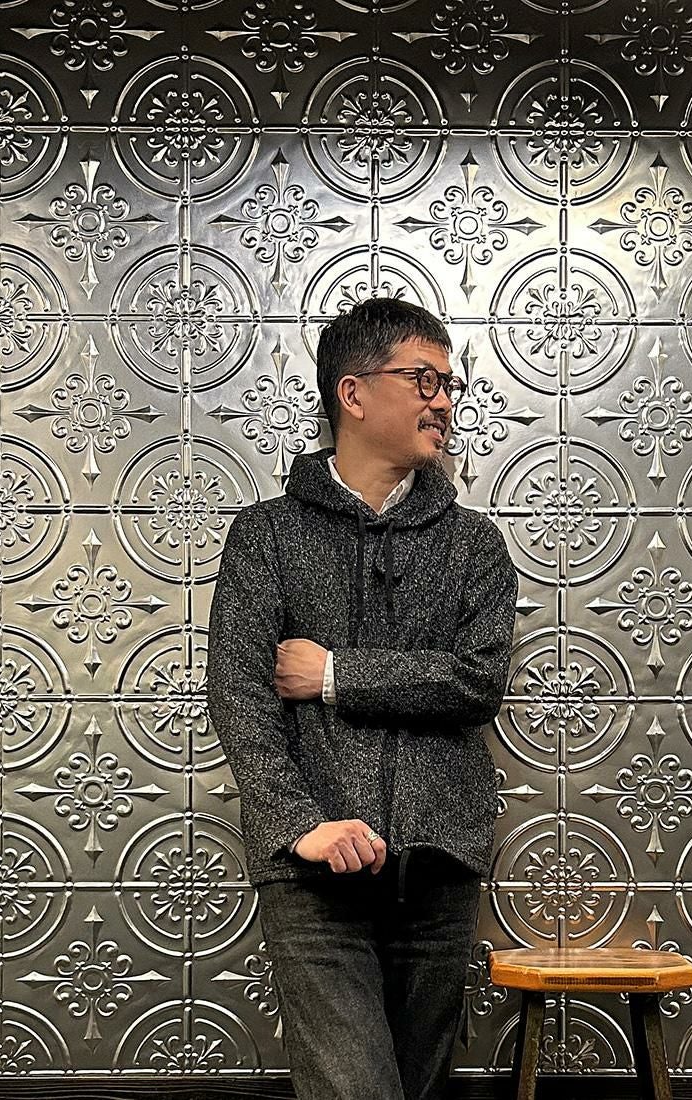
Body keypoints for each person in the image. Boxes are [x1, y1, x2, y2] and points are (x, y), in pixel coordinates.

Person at [206, 297, 518, 1100]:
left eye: (449, 385)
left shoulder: (474, 543)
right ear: (353, 392)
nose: (443, 402)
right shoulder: (266, 535)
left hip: (438, 867)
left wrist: (336, 674)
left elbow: (477, 680)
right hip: (312, 876)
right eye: (423, 380)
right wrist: (300, 826)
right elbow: (239, 695)